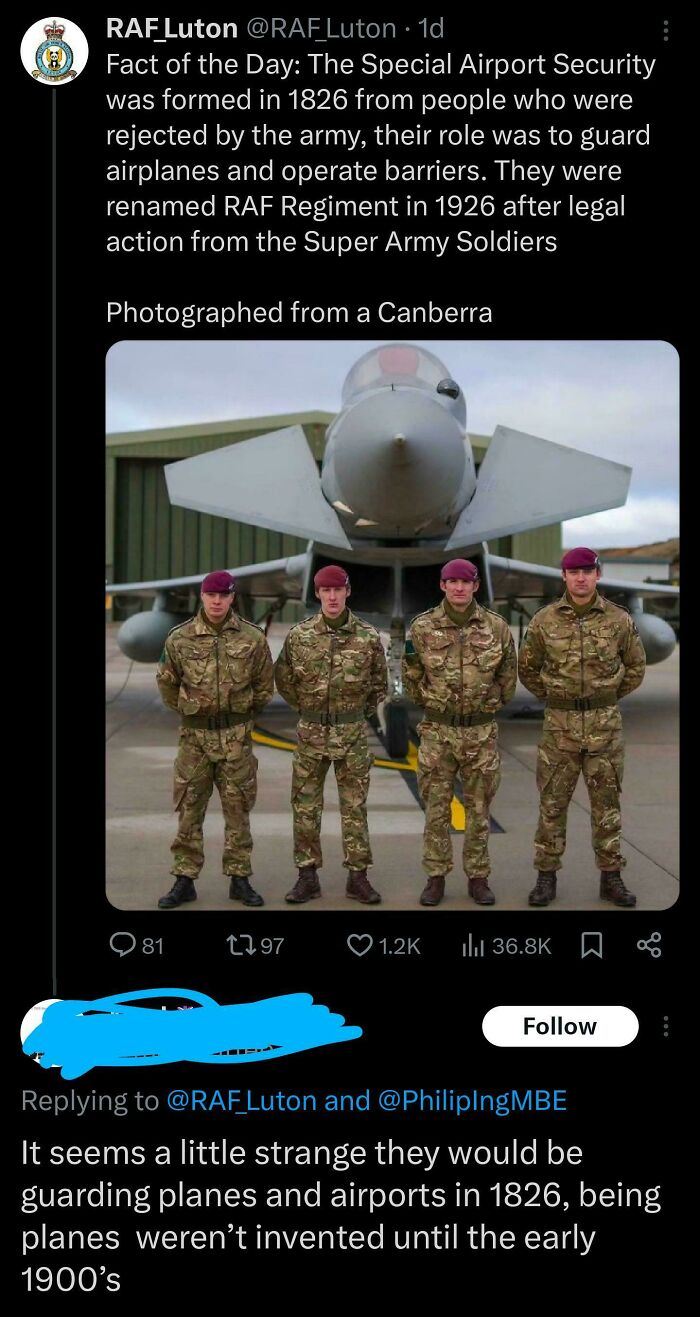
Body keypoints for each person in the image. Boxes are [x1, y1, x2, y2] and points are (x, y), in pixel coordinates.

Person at [518, 547, 646, 907]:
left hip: (605, 727)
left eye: (587, 571)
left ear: (597, 575)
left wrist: (602, 697)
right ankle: (546, 878)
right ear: (563, 576)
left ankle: (611, 878)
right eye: (573, 572)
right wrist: (560, 698)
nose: (580, 577)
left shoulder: (619, 620)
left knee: (607, 805)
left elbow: (635, 667)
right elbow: (527, 669)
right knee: (552, 805)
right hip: (559, 728)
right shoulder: (544, 621)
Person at [156, 571, 274, 909]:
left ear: (233, 597)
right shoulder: (179, 639)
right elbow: (166, 683)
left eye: (223, 595)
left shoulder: (252, 638)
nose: (217, 601)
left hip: (236, 739)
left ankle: (240, 879)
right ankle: (184, 879)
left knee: (238, 810)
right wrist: (190, 710)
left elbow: (265, 687)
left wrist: (240, 715)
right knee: (190, 810)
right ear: (202, 597)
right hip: (194, 740)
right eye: (211, 595)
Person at [402, 559, 516, 906]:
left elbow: (507, 679)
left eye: (465, 582)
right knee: (436, 809)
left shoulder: (496, 628)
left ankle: (478, 878)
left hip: (480, 733)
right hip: (438, 733)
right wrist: (436, 705)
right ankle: (435, 877)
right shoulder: (422, 628)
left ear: (475, 586)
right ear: (442, 586)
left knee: (479, 810)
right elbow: (411, 677)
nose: (458, 587)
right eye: (451, 582)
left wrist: (486, 705)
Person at [274, 565, 388, 904]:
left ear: (348, 592)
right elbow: (285, 679)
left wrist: (352, 716)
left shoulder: (367, 637)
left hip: (351, 734)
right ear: (318, 594)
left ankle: (358, 877)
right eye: (326, 590)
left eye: (338, 590)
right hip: (311, 734)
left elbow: (378, 686)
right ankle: (307, 877)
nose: (333, 596)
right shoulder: (299, 636)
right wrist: (312, 712)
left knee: (355, 807)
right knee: (305, 807)